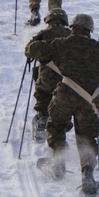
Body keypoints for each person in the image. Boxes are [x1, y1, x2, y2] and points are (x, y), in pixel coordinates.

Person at [26, 13, 99, 197]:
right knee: (87, 135)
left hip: (65, 94)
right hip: (90, 98)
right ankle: (87, 175)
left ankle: (58, 162)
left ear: (72, 27)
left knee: (56, 126)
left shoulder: (62, 43)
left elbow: (34, 50)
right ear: (90, 30)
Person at [27, 9, 71, 141]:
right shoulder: (71, 34)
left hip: (47, 78)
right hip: (67, 80)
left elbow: (29, 51)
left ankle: (42, 117)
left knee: (41, 90)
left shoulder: (43, 34)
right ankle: (64, 122)